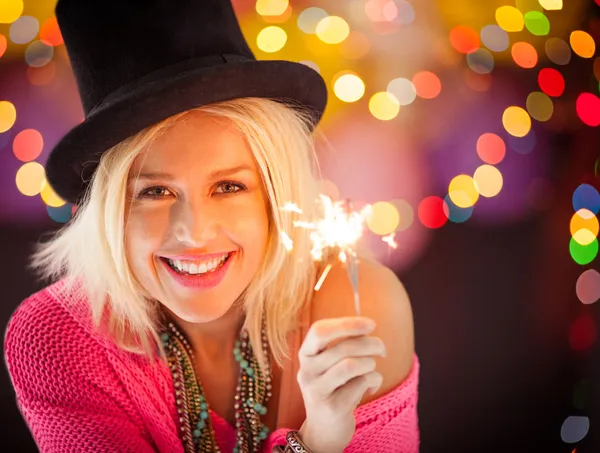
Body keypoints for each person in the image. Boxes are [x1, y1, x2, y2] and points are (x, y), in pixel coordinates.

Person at [4, 1, 419, 452]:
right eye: (154, 192)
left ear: (273, 194)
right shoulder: (56, 339)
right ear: (109, 210)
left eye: (227, 186)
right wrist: (314, 443)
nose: (194, 232)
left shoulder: (359, 306)